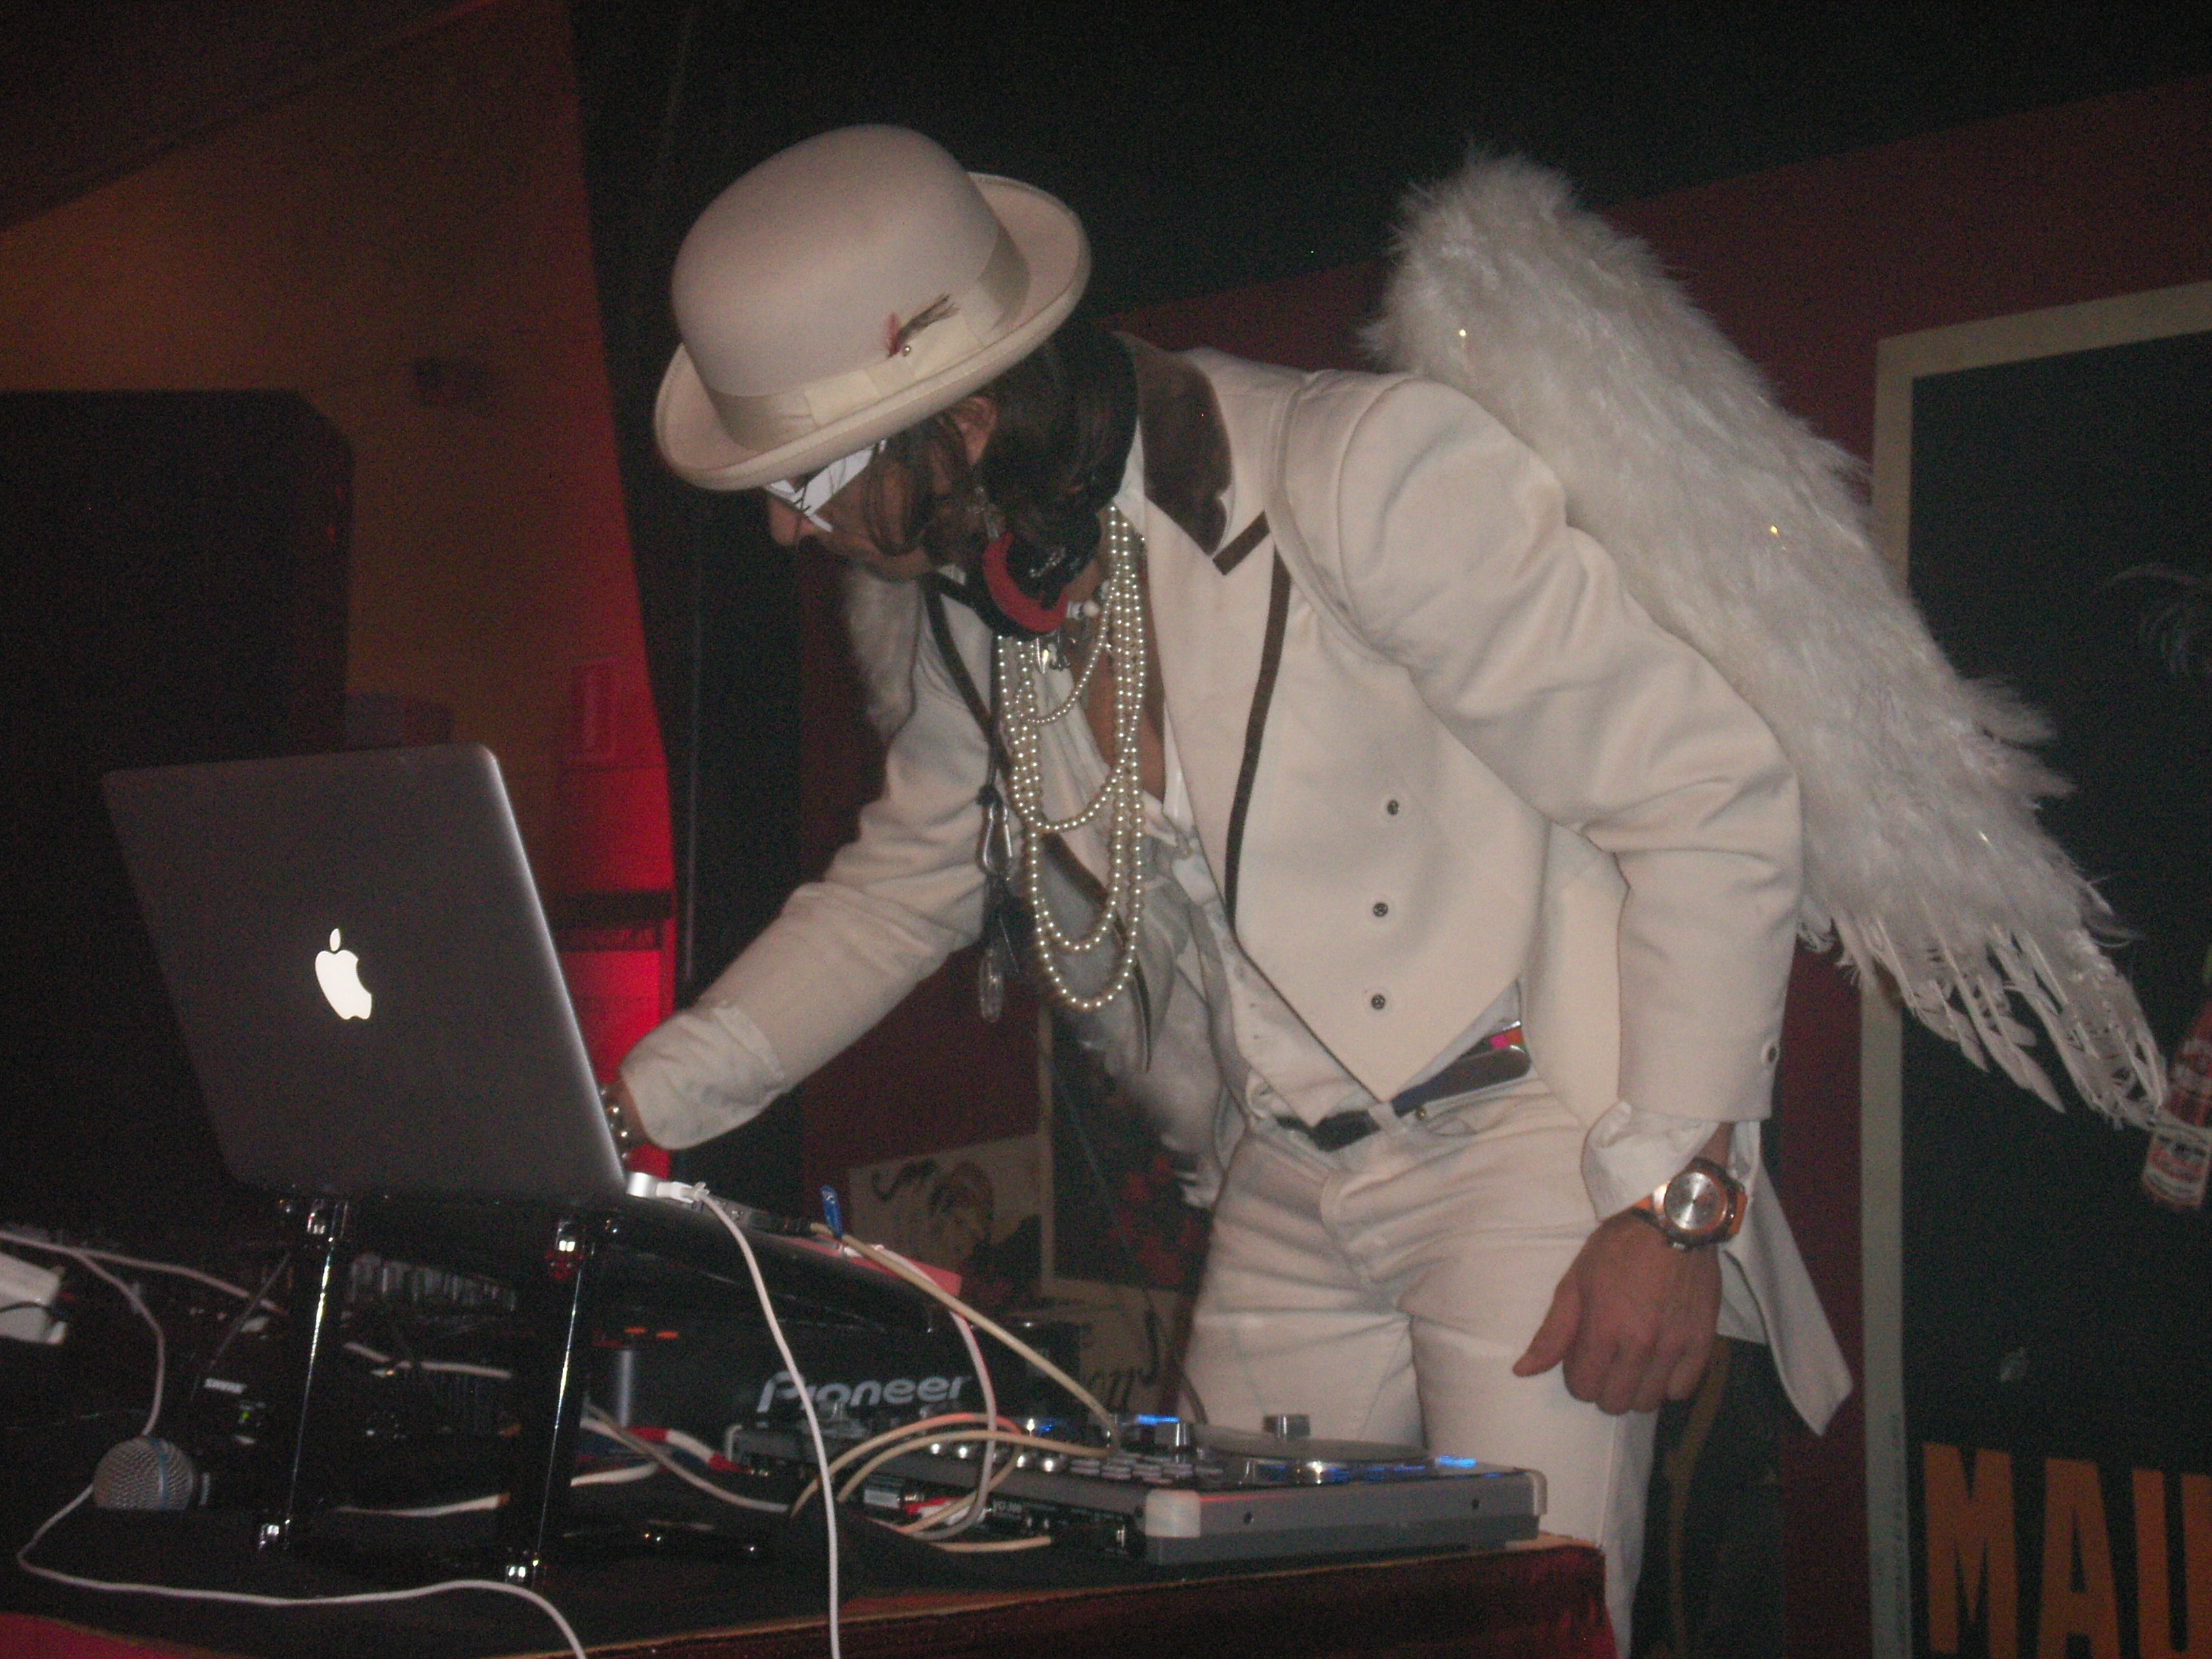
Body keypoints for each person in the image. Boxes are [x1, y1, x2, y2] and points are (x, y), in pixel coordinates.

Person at [613, 124, 1847, 1647]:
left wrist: (1674, 1208)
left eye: (806, 479)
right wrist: (640, 1101)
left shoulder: (1358, 473)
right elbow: (905, 885)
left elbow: (1707, 791)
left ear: (969, 422)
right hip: (1287, 1173)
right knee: (1225, 1621)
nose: (784, 526)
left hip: (1524, 1140)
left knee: (1519, 1622)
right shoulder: (975, 597)